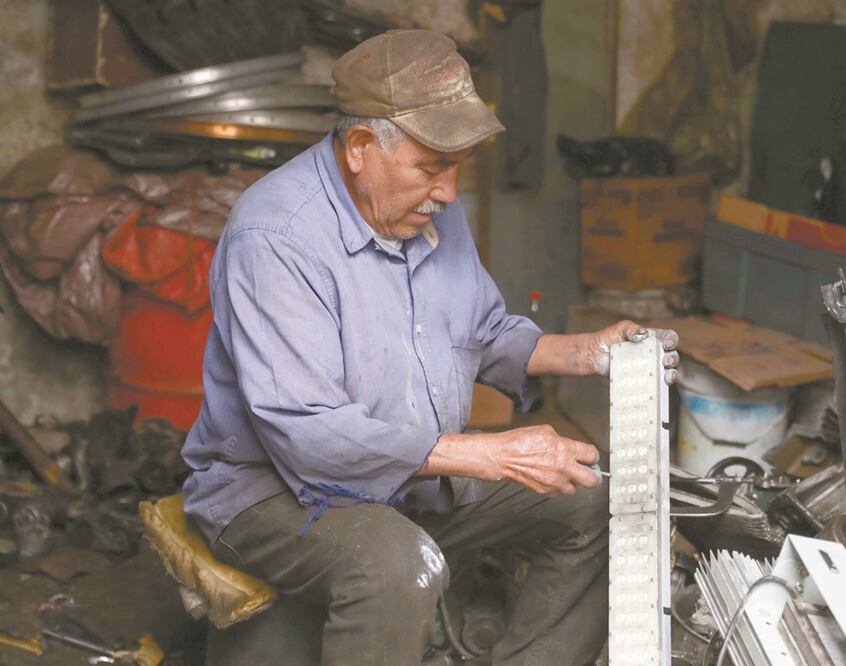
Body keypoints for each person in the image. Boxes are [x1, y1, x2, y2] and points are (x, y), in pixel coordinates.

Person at [180, 29, 679, 665]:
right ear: (361, 147)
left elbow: (481, 332)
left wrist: (584, 352)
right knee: (398, 568)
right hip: (270, 491)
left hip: (411, 475)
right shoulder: (276, 235)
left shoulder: (425, 209)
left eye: (457, 166)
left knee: (601, 504)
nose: (447, 191)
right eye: (431, 167)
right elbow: (307, 435)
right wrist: (492, 454)